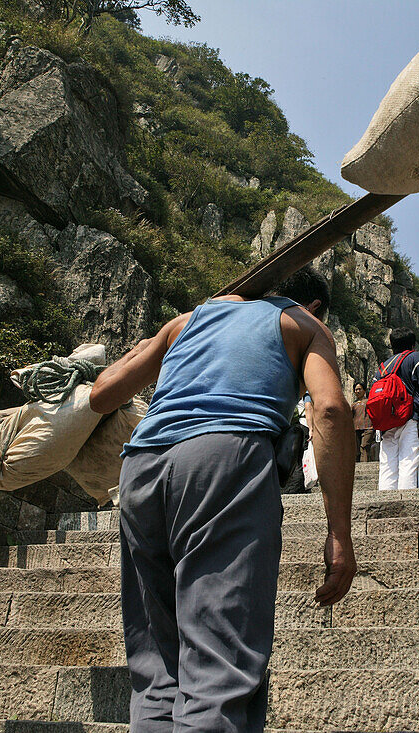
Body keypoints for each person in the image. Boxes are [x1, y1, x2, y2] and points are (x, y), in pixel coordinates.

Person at [90, 266, 356, 733]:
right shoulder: (303, 325)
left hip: (141, 468)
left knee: (157, 669)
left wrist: (154, 344)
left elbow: (102, 394)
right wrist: (338, 532)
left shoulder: (185, 321)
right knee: (218, 665)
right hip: (223, 460)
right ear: (313, 305)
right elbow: (331, 409)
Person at [376, 327, 419, 491]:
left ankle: (386, 502)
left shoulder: (383, 367)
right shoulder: (415, 358)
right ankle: (407, 504)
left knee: (388, 466)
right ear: (413, 344)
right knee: (409, 462)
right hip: (410, 416)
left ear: (392, 345)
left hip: (386, 421)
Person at [351, 382, 375, 462]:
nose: (357, 391)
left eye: (359, 389)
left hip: (368, 427)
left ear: (364, 390)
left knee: (364, 446)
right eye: (356, 389)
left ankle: (364, 467)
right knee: (356, 450)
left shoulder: (369, 401)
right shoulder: (353, 404)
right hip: (356, 428)